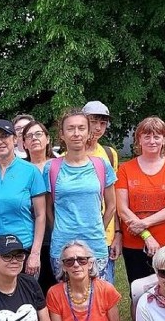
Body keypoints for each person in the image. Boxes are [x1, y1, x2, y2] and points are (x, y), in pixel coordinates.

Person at [45, 109, 116, 282]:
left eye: (81, 128)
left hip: (95, 244)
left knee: (98, 298)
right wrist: (60, 229)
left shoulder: (101, 165)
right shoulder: (52, 167)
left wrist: (98, 228)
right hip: (62, 245)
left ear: (88, 132)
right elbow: (47, 208)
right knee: (67, 297)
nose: (76, 133)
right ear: (62, 134)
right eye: (70, 128)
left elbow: (112, 205)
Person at [114, 116, 165, 283]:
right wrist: (146, 235)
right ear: (139, 139)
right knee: (138, 291)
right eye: (147, 136)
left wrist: (145, 223)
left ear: (164, 139)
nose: (152, 141)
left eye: (157, 136)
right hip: (135, 242)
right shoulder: (125, 169)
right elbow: (122, 208)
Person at [0, 119, 46, 278]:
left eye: (4, 136)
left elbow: (41, 216)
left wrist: (35, 253)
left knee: (24, 301)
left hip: (22, 250)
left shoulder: (31, 172)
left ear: (14, 139)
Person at [83, 100, 120, 281]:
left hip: (105, 235)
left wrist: (118, 235)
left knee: (104, 287)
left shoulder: (109, 154)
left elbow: (115, 200)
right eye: (93, 121)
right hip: (77, 233)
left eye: (103, 123)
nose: (98, 127)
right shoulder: (66, 156)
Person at [22, 119, 57, 293]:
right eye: (29, 136)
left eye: (38, 134)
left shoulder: (60, 165)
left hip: (58, 234)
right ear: (24, 143)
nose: (34, 138)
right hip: (30, 237)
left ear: (48, 138)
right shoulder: (20, 169)